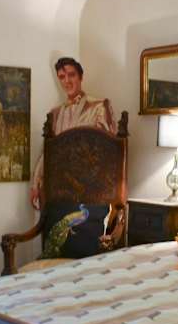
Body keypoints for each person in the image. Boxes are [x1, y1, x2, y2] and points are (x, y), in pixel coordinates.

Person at [30, 57, 116, 210]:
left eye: (71, 75)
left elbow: (108, 149)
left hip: (91, 190)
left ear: (80, 77)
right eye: (62, 77)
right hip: (60, 189)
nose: (67, 81)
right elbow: (47, 152)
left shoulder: (99, 106)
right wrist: (35, 184)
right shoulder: (55, 113)